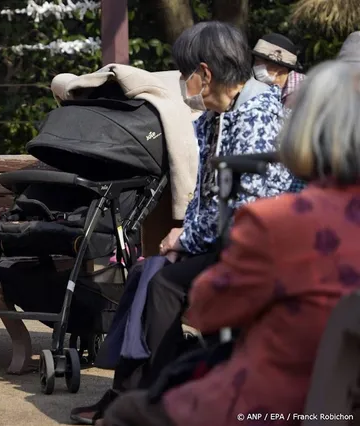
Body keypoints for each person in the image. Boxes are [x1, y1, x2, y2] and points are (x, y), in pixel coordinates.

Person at [100, 59, 360, 426]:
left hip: (275, 403)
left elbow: (210, 311)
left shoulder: (280, 224)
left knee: (125, 415)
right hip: (344, 406)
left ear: (306, 128)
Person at [70, 21, 293, 425]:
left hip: (258, 247)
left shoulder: (257, 115)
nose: (182, 83)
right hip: (224, 241)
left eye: (185, 73)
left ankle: (163, 388)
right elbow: (203, 197)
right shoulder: (216, 114)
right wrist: (181, 236)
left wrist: (186, 237)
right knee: (146, 273)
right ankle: (134, 390)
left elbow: (246, 207)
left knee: (164, 285)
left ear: (205, 73)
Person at [252, 33, 306, 109]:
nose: (255, 66)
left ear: (279, 68)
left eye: (258, 61)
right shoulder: (262, 89)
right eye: (255, 61)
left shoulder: (305, 90)